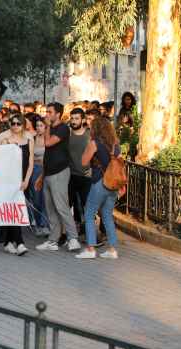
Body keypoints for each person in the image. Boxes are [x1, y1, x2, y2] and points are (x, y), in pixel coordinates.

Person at [35, 102, 80, 252]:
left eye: (49, 112)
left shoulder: (63, 129)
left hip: (60, 172)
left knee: (61, 206)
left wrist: (47, 126)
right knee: (50, 208)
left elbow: (48, 143)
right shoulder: (53, 128)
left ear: (58, 114)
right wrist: (42, 176)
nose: (47, 114)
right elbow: (48, 155)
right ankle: (53, 240)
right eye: (46, 112)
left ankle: (73, 238)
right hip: (48, 172)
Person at [76, 116, 122, 260]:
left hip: (99, 183)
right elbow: (119, 164)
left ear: (95, 129)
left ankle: (90, 248)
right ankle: (112, 249)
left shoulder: (94, 143)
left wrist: (88, 147)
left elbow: (83, 162)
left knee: (89, 214)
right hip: (113, 184)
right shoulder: (116, 144)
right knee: (107, 215)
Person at [0, 113, 33, 255]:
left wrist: (27, 180)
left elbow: (30, 162)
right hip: (7, 179)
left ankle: (8, 242)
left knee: (17, 209)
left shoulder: (29, 138)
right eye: (13, 123)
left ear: (23, 125)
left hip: (22, 179)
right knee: (13, 210)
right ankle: (20, 242)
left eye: (18, 123)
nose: (15, 126)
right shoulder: (4, 138)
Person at [67, 108, 92, 236]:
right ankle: (68, 234)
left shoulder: (89, 135)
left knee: (87, 207)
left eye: (77, 118)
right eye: (72, 118)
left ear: (82, 120)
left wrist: (92, 169)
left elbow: (96, 153)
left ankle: (91, 235)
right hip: (70, 176)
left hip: (86, 177)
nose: (74, 121)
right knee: (67, 205)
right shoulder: (67, 134)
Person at [27, 115, 49, 236]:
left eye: (41, 126)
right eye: (37, 126)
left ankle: (44, 224)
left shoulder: (49, 139)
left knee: (46, 198)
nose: (39, 128)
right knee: (36, 199)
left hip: (46, 169)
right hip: (34, 170)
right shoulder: (32, 139)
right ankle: (38, 223)